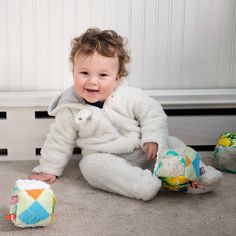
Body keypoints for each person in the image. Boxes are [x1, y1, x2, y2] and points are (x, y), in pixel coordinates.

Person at [28, 28, 222, 200]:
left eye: (102, 75)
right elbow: (59, 140)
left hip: (142, 150)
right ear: (73, 72)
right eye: (84, 73)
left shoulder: (128, 95)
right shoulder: (69, 108)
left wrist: (153, 138)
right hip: (107, 158)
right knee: (89, 166)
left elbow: (152, 112)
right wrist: (48, 169)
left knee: (173, 143)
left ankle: (200, 174)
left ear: (117, 78)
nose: (92, 82)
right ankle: (141, 184)